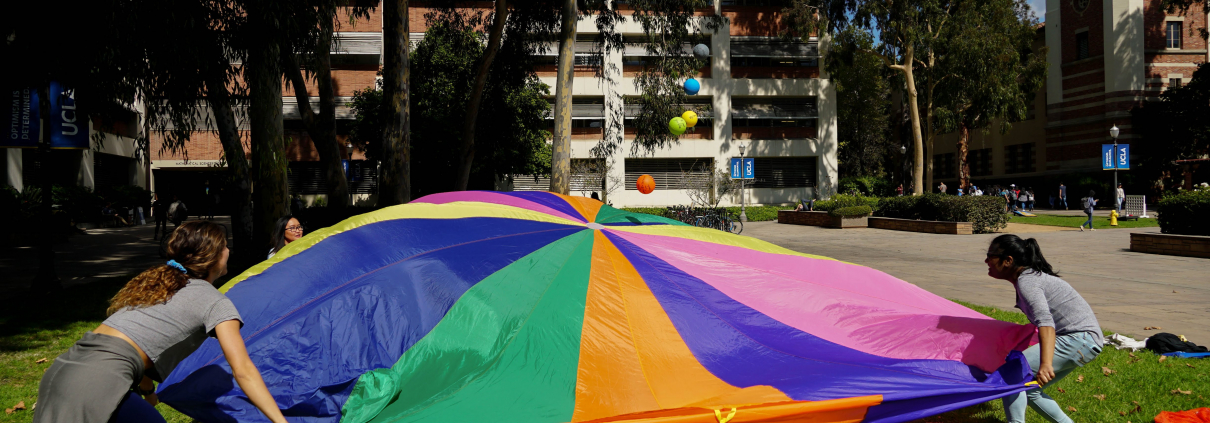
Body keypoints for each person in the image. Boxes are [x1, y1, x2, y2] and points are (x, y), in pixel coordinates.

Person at [33, 221, 288, 423]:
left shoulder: (158, 286)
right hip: (97, 381)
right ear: (213, 256)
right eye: (225, 246)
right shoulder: (215, 302)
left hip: (63, 371)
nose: (228, 251)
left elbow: (138, 344)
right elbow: (242, 369)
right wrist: (280, 420)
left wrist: (148, 393)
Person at [985, 235, 1103, 423]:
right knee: (1030, 390)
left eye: (991, 256)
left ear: (1008, 261)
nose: (986, 261)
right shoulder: (1028, 278)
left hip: (1078, 340)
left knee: (1011, 374)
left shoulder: (1027, 282)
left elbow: (1046, 322)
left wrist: (1045, 363)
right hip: (1086, 343)